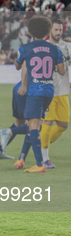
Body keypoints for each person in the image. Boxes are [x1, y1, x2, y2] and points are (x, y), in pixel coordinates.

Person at [10, 16, 65, 173]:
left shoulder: (25, 48)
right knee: (36, 124)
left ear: (29, 31)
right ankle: (21, 158)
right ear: (48, 31)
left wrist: (17, 61)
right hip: (49, 90)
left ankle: (40, 164)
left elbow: (18, 66)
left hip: (35, 90)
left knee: (33, 126)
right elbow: (61, 71)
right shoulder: (55, 49)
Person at [39, 20, 71, 168]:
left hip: (63, 91)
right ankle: (44, 158)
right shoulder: (43, 47)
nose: (58, 33)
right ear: (49, 31)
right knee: (47, 122)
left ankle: (41, 142)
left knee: (63, 124)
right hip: (48, 90)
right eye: (56, 30)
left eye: (60, 30)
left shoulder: (67, 46)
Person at [0, 65, 28, 160]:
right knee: (36, 125)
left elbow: (18, 65)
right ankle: (42, 159)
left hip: (19, 88)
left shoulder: (28, 51)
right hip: (28, 90)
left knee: (19, 123)